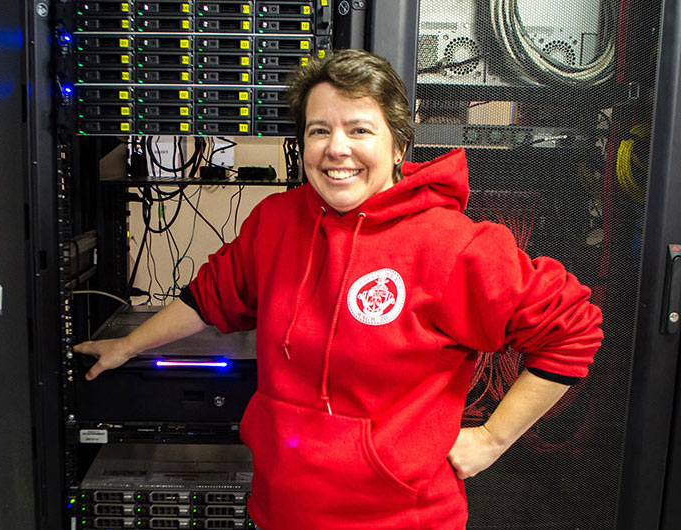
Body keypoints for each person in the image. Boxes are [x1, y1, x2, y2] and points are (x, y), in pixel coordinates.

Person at [74, 49, 603, 529]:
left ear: (398, 144)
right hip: (280, 509)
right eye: (318, 130)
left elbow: (572, 329)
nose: (336, 149)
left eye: (359, 130)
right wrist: (127, 346)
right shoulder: (275, 221)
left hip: (398, 519)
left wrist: (490, 439)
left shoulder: (453, 245)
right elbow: (211, 296)